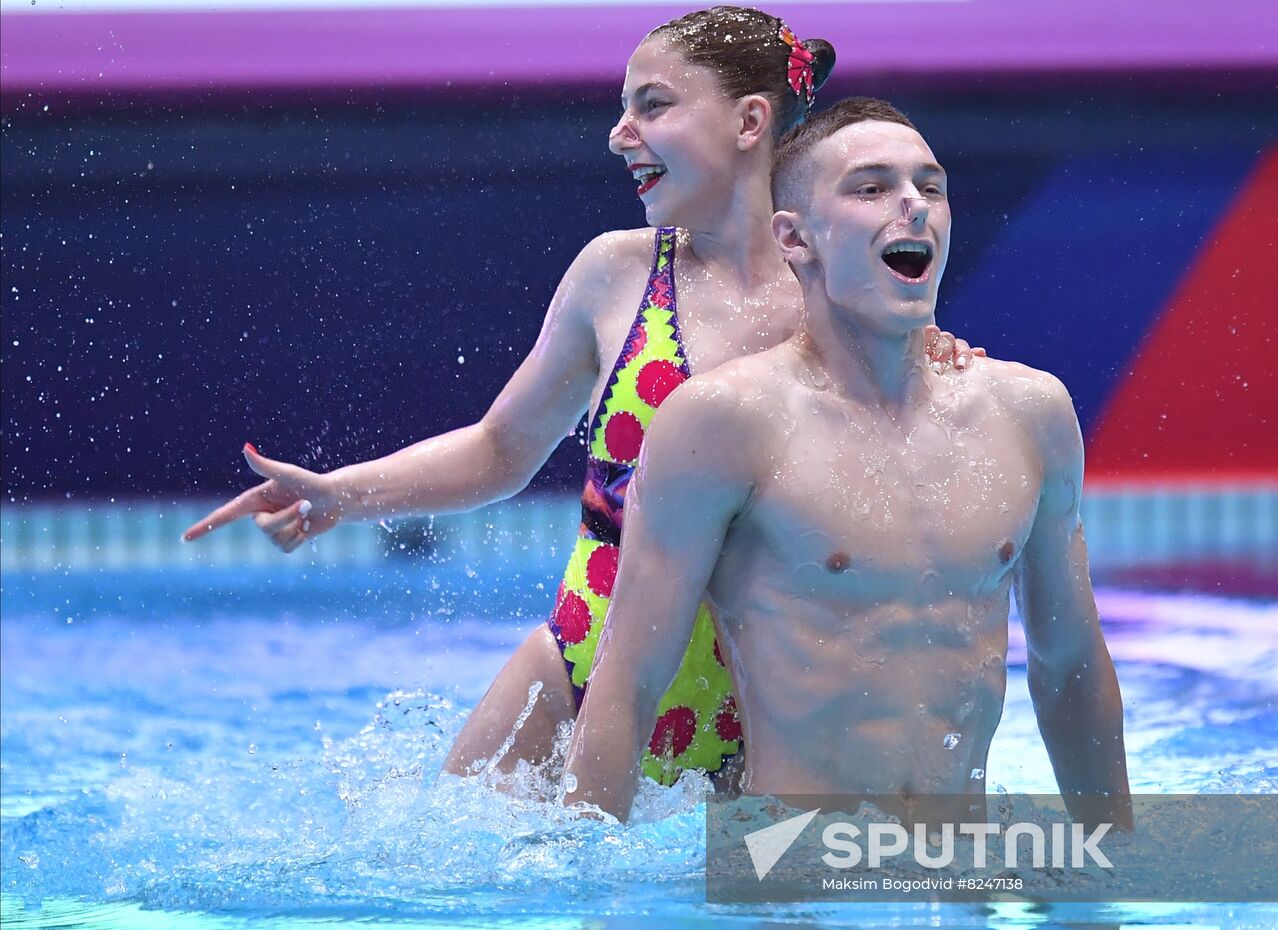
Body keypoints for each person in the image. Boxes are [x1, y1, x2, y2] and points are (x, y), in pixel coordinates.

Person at [181, 8, 982, 787]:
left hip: (773, 709)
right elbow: (501, 447)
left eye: (653, 105)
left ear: (749, 121)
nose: (619, 132)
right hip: (580, 671)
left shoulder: (844, 288)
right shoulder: (618, 274)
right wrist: (343, 497)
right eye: (622, 107)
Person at [561, 97, 1132, 829]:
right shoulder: (726, 422)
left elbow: (1069, 668)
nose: (913, 207)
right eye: (871, 189)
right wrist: (590, 911)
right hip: (793, 883)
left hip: (958, 882)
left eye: (930, 187)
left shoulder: (1030, 413)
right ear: (796, 238)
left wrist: (1114, 869)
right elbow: (628, 686)